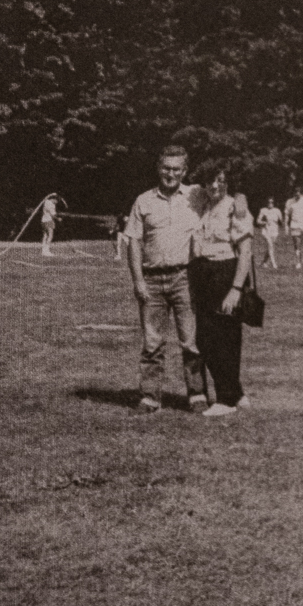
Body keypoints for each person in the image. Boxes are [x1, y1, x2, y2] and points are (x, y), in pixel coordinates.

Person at [124, 145, 207, 414]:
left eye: (176, 169)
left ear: (185, 171)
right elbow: (134, 242)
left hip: (186, 278)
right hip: (151, 280)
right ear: (158, 168)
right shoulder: (143, 201)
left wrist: (240, 198)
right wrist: (138, 280)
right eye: (166, 168)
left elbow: (226, 196)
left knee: (191, 341)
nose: (170, 173)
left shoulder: (197, 196)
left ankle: (197, 394)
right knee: (152, 342)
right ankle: (150, 397)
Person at [189, 169, 254, 417]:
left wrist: (235, 289)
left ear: (229, 184)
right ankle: (237, 394)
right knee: (206, 338)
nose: (215, 185)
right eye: (211, 180)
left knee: (225, 338)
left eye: (221, 181)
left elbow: (246, 252)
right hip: (204, 273)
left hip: (226, 273)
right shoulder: (203, 203)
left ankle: (225, 400)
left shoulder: (234, 208)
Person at [284, 185, 303, 270]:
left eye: (298, 194)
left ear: (301, 193)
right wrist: (286, 226)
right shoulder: (289, 202)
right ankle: (298, 262)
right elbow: (287, 214)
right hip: (295, 225)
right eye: (295, 194)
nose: (296, 196)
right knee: (297, 244)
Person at [256, 196, 282, 269]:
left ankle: (264, 262)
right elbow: (258, 221)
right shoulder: (263, 210)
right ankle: (274, 264)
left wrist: (281, 222)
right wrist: (264, 222)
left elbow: (281, 221)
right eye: (269, 202)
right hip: (266, 231)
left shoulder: (277, 210)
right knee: (270, 246)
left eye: (272, 202)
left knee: (270, 248)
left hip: (275, 231)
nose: (270, 204)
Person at [41, 193, 60, 257]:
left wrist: (52, 194)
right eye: (57, 201)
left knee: (45, 235)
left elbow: (46, 198)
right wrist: (58, 219)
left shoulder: (46, 201)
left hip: (43, 220)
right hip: (49, 221)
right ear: (54, 199)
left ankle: (43, 251)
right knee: (50, 236)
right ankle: (47, 251)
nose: (57, 203)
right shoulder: (52, 205)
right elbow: (53, 215)